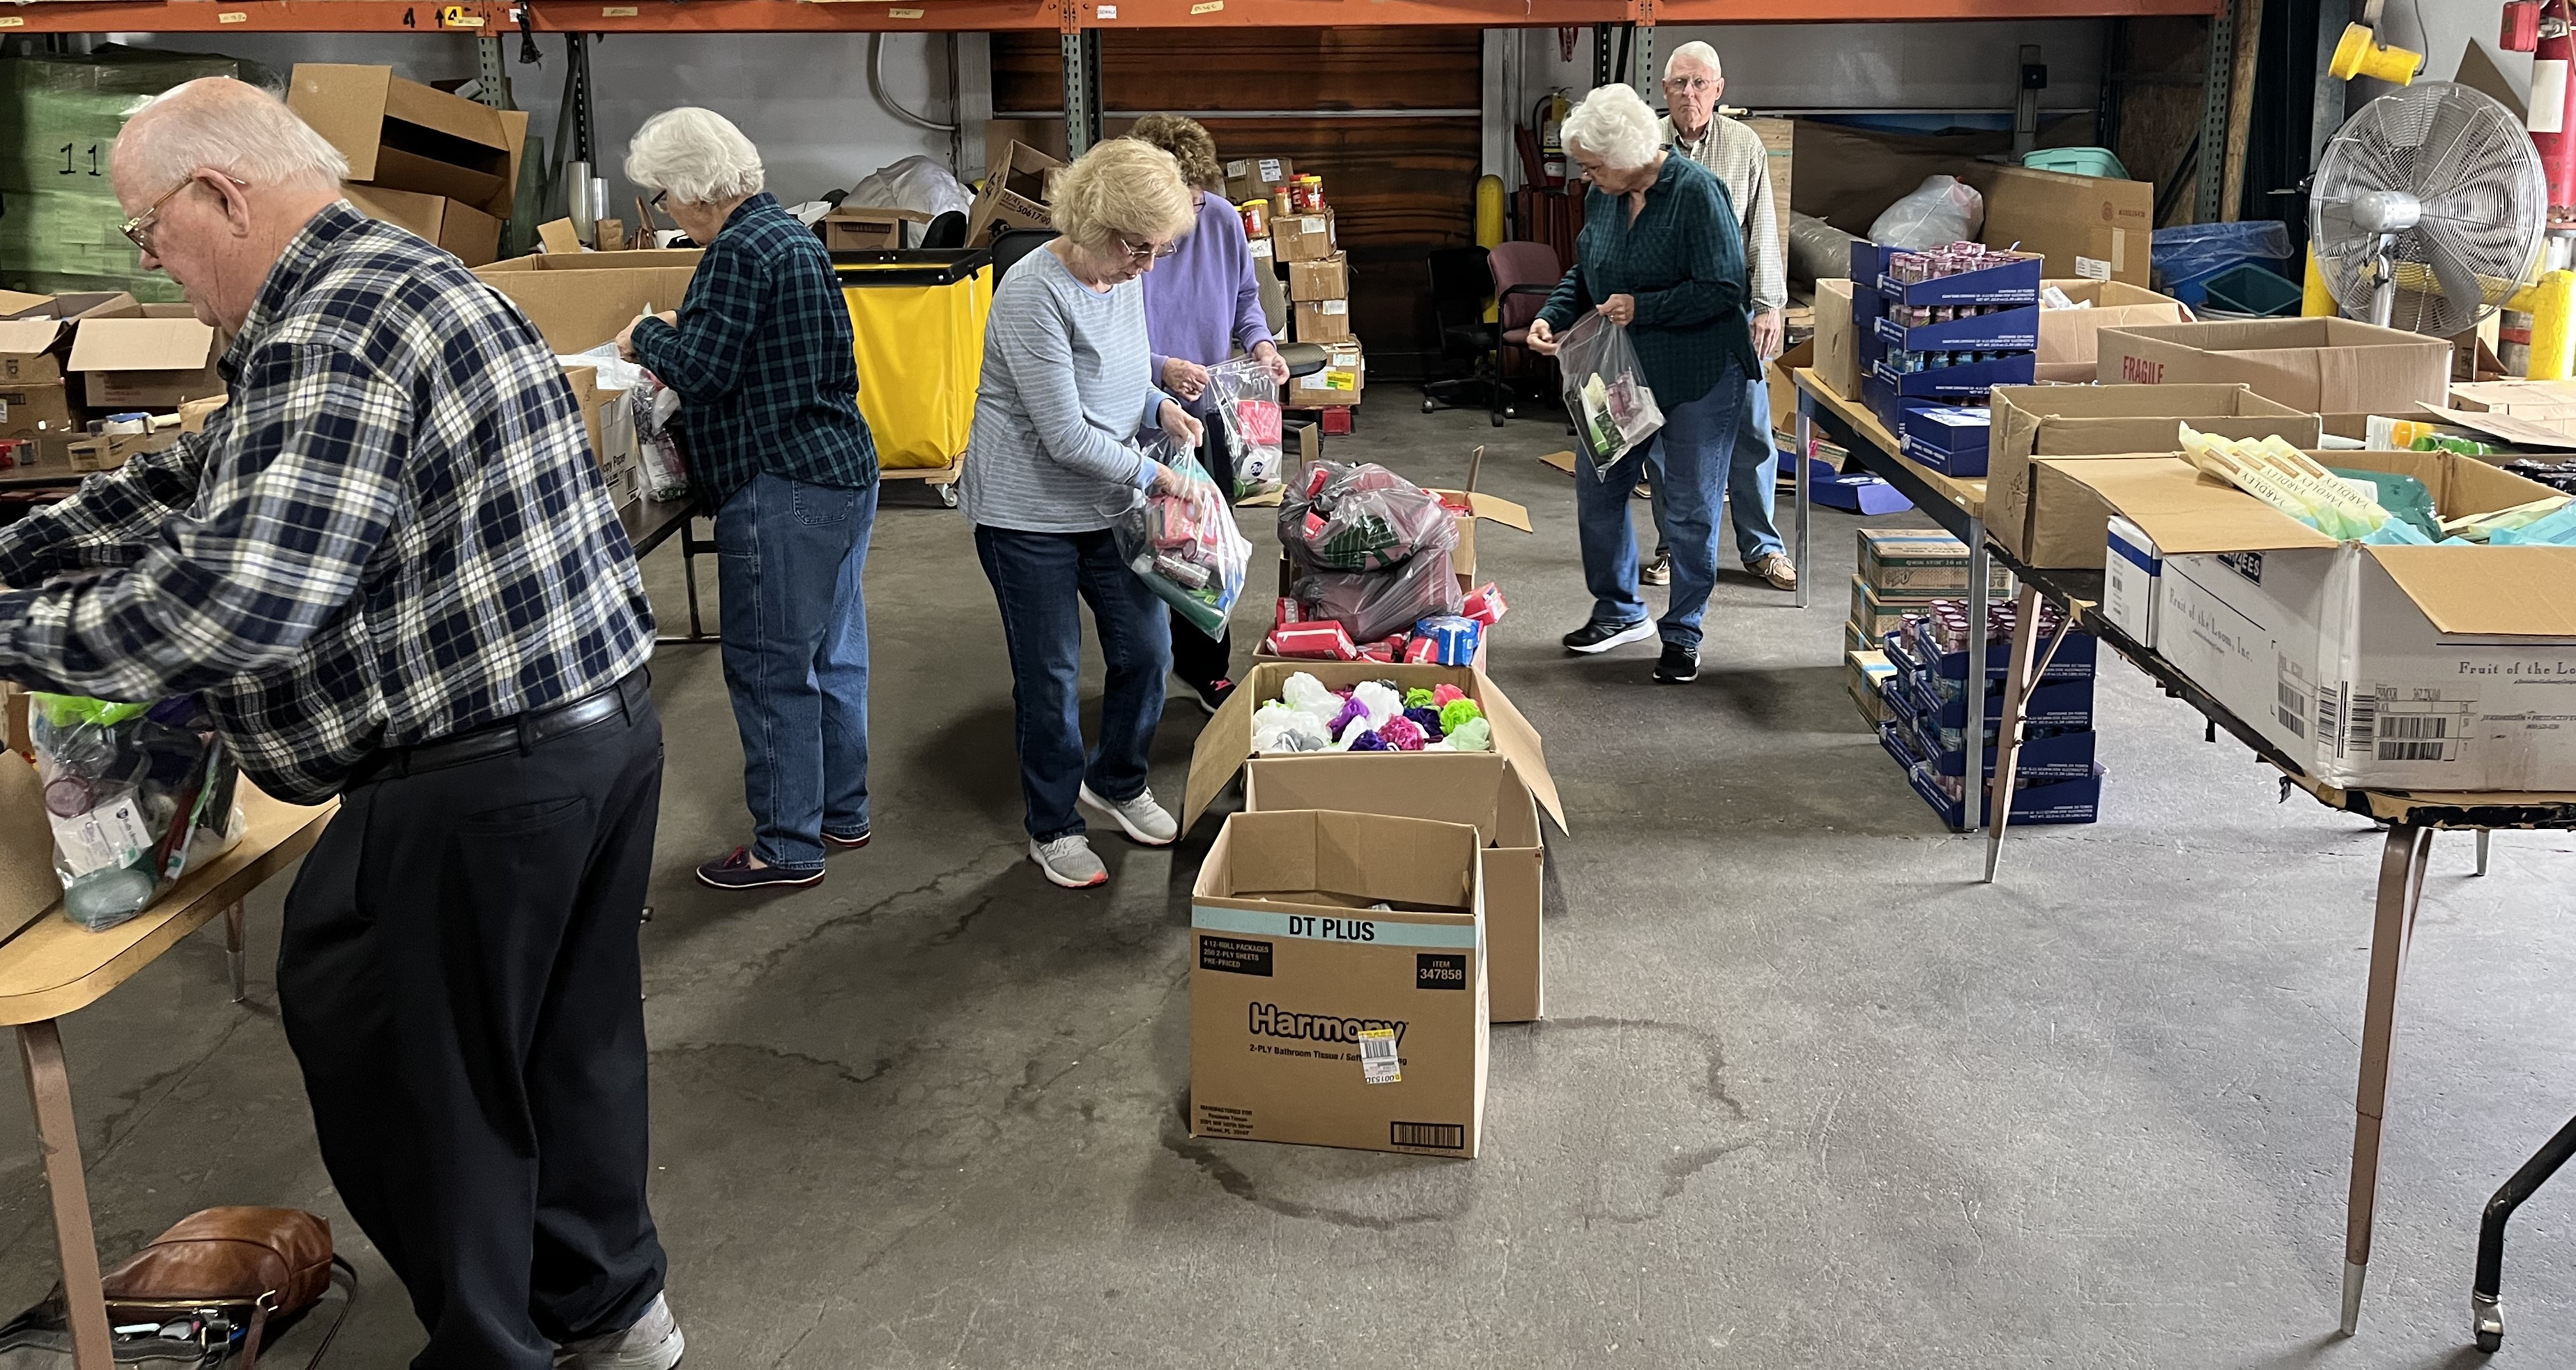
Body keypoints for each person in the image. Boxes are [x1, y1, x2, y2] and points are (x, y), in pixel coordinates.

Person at [0, 79, 680, 1369]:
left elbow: (236, 600)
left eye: (152, 233)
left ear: (220, 194)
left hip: (480, 775)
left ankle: (496, 1348)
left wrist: (16, 634)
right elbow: (195, 480)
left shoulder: (335, 325)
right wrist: (27, 550)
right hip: (590, 736)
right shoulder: (393, 281)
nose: (154, 267)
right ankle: (610, 1309)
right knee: (564, 1051)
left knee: (417, 1084)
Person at [617, 107, 881, 892]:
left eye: (664, 196)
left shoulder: (736, 252)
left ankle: (787, 846)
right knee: (833, 656)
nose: (666, 211)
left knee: (770, 669)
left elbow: (703, 371)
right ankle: (842, 811)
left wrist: (647, 335)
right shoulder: (792, 235)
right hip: (839, 469)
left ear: (696, 191)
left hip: (783, 485)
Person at [959, 137, 1206, 888]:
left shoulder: (1121, 278)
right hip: (1026, 513)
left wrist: (1162, 404)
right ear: (1096, 225)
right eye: (1140, 248)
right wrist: (1157, 472)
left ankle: (1118, 781)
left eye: (1160, 250)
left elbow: (1120, 378)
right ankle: (1055, 824)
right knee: (1051, 674)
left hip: (1109, 504)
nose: (1149, 266)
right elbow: (1066, 434)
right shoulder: (1033, 293)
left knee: (1148, 650)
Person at [1529, 82, 1757, 686]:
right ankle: (1619, 610)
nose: (1588, 176)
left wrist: (1645, 308)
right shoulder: (1608, 195)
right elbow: (1588, 269)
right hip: (1621, 371)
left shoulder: (1697, 193)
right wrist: (1552, 314)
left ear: (1630, 151)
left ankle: (1683, 632)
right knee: (1598, 486)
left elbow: (1725, 288)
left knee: (1687, 509)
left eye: (1594, 165)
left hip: (1698, 374)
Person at [1127, 112, 1291, 717]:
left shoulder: (1221, 220)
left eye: (1198, 198)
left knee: (1206, 549)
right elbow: (1106, 339)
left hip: (1206, 411)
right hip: (1138, 415)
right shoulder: (1130, 239)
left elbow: (1247, 300)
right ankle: (1146, 666)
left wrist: (1262, 346)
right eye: (1182, 201)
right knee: (1145, 549)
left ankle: (1205, 668)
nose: (1192, 214)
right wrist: (1163, 367)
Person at [1650, 40, 1797, 594]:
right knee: (1665, 439)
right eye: (1680, 84)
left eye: (1700, 83)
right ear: (1664, 92)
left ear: (1719, 90)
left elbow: (1762, 231)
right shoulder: (1644, 147)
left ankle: (1761, 547)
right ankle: (1675, 546)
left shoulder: (1744, 147)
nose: (1690, 93)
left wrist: (1768, 306)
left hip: (1729, 317)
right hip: (1662, 320)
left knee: (1753, 430)